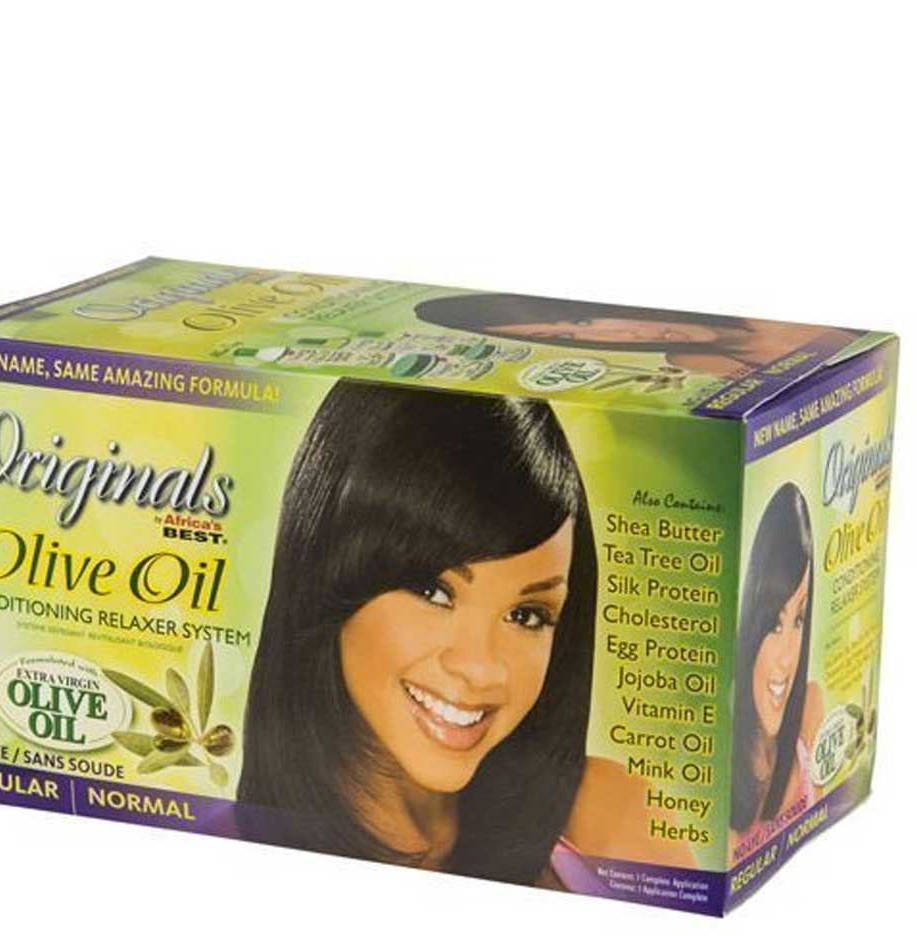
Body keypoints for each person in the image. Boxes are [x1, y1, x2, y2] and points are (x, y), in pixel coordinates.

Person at [238, 379, 693, 888]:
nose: (480, 668)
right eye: (433, 591)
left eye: (527, 615)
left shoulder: (609, 821)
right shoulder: (226, 845)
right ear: (330, 573)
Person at [414, 292, 861, 380]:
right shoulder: (691, 364)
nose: (604, 337)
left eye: (582, 323)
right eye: (568, 338)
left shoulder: (774, 316)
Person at [729, 483, 824, 865]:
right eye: (774, 623)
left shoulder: (811, 708)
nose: (787, 656)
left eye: (799, 619)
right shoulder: (722, 759)